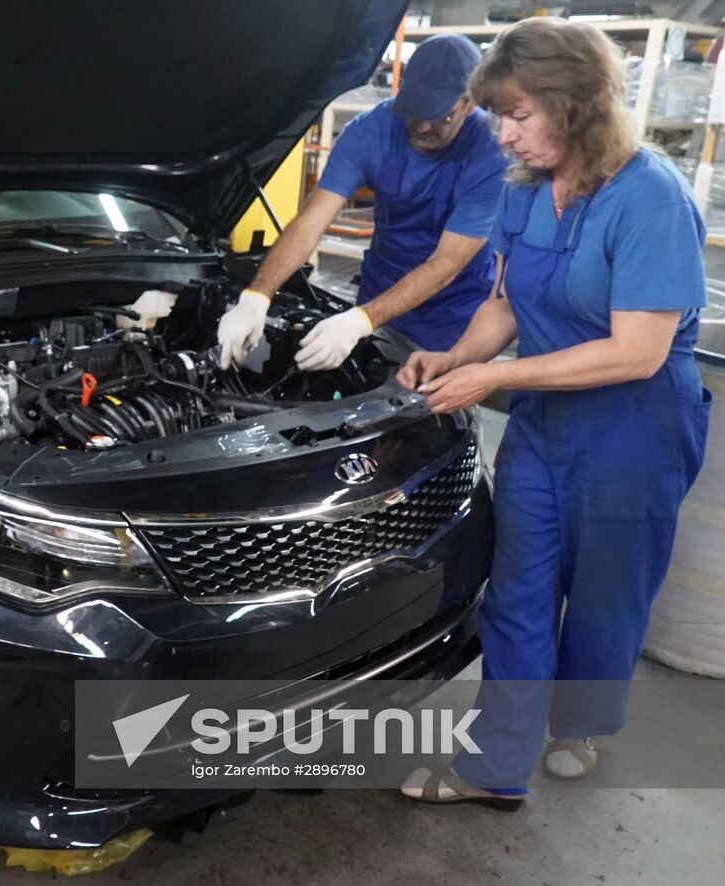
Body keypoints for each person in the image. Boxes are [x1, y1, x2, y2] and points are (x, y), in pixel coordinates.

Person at [397, 18, 711, 807]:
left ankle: (582, 724)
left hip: (635, 431)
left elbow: (636, 351)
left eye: (518, 116)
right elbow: (505, 302)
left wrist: (496, 376)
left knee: (607, 594)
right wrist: (456, 357)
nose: (502, 135)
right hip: (543, 426)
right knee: (518, 592)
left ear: (575, 107)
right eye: (498, 115)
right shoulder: (528, 193)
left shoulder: (650, 197)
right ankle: (495, 765)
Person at [218, 34, 507, 372]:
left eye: (439, 116)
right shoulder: (370, 131)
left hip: (451, 313)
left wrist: (357, 322)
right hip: (380, 289)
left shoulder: (490, 155)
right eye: (414, 113)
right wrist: (257, 296)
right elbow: (311, 221)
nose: (423, 126)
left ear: (469, 103)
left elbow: (445, 265)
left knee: (431, 416)